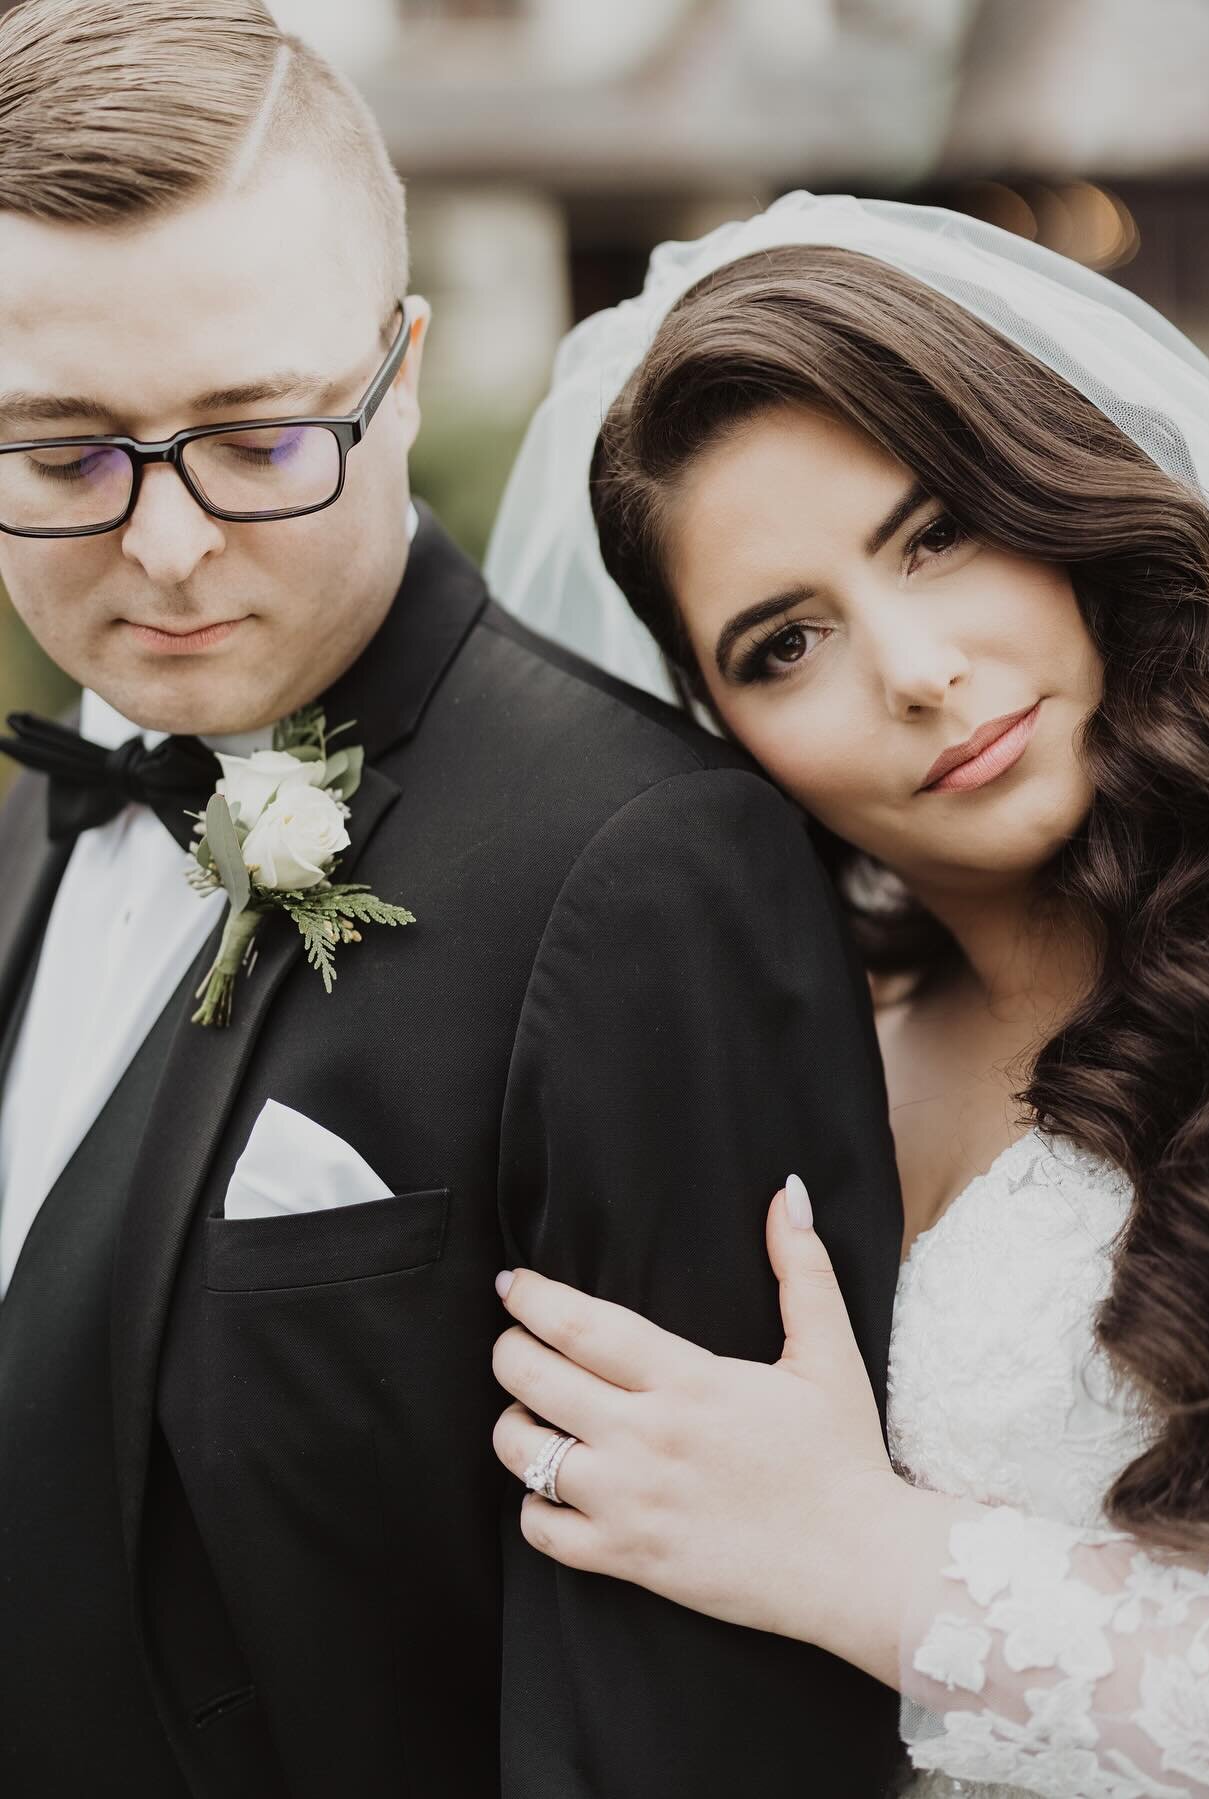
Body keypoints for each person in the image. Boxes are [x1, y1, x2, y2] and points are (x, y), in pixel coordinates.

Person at [0, 11, 907, 1796]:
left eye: (259, 440)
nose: (166, 548)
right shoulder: (44, 807)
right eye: (62, 458)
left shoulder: (646, 872)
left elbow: (694, 1706)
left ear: (400, 373)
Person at [484, 193, 1209, 1795]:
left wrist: (878, 1566)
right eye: (786, 644)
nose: (915, 668)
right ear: (721, 731)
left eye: (938, 536)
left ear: (1058, 504)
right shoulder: (818, 1062)